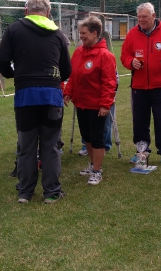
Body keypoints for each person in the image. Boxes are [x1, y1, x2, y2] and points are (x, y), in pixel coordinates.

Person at [0, 0, 71, 203]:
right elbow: (67, 70)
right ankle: (52, 192)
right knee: (51, 145)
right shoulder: (58, 33)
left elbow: (2, 60)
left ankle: (25, 192)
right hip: (51, 95)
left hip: (25, 95)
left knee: (27, 145)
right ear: (48, 12)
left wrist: (15, 75)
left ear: (26, 10)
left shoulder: (14, 29)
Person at [120, 2, 161, 167]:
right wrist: (130, 62)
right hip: (138, 88)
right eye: (139, 17)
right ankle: (142, 151)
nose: (141, 20)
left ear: (154, 16)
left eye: (145, 17)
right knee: (140, 121)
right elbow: (124, 56)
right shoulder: (132, 34)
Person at [64, 16, 116, 185]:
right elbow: (73, 76)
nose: (81, 36)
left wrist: (105, 104)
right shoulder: (79, 52)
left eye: (84, 33)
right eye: (80, 33)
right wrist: (68, 93)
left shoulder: (105, 56)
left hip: (97, 106)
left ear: (95, 33)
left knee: (97, 138)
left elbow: (109, 83)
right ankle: (93, 164)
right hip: (81, 104)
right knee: (87, 137)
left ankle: (97, 170)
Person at [78, 71, 119, 156]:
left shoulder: (107, 57)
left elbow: (114, 77)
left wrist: (113, 94)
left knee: (105, 123)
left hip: (105, 95)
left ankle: (105, 145)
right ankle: (87, 145)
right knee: (87, 123)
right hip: (87, 95)